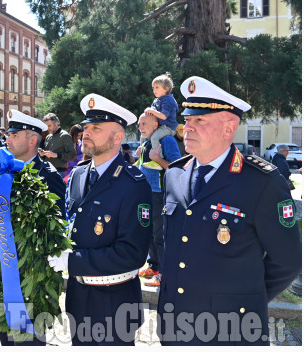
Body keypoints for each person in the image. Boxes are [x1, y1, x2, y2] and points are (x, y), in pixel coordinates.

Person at [158, 76, 302, 345]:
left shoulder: (261, 182)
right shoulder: (175, 174)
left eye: (199, 121)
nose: (187, 128)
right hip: (175, 323)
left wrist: (242, 299)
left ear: (229, 128)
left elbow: (288, 261)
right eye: (187, 120)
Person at [48, 93, 152, 345]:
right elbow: (70, 224)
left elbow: (132, 254)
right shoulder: (78, 175)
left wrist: (72, 261)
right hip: (78, 298)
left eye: (96, 128)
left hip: (114, 302)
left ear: (118, 137)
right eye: (86, 128)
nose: (86, 133)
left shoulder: (134, 184)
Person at [0, 110, 67, 346]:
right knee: (6, 336)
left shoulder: (48, 175)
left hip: (31, 274)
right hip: (4, 267)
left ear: (32, 140)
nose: (8, 140)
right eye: (8, 134)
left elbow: (58, 226)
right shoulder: (4, 171)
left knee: (28, 340)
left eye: (14, 135)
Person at [135, 113, 181, 288]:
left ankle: (164, 273)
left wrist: (157, 159)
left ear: (156, 124)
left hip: (160, 194)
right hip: (147, 194)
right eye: (139, 124)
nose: (140, 127)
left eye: (144, 123)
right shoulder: (147, 142)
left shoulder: (167, 140)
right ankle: (153, 266)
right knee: (149, 233)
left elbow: (177, 167)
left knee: (160, 235)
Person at [143, 72, 179, 150]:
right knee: (143, 136)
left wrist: (151, 111)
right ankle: (142, 153)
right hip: (159, 127)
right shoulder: (157, 100)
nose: (154, 90)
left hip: (168, 128)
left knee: (154, 138)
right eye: (153, 88)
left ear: (166, 89)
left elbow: (163, 116)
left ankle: (158, 156)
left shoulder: (168, 100)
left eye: (157, 87)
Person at [40, 113, 77, 178]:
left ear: (56, 123)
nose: (47, 128)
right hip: (47, 171)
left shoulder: (65, 136)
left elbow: (72, 155)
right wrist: (42, 155)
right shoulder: (48, 137)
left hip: (60, 173)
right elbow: (47, 157)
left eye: (49, 126)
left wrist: (56, 155)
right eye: (46, 126)